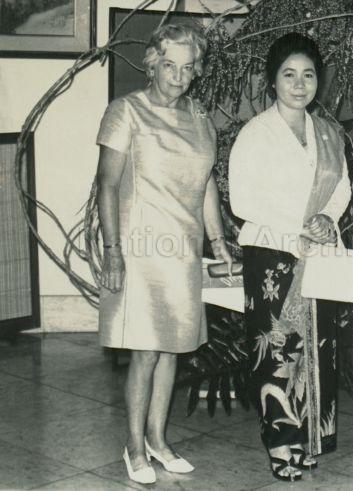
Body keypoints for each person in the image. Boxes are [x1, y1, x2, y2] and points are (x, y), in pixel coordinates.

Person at [96, 24, 233, 485]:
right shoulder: (125, 111)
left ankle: (157, 438)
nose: (178, 75)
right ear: (153, 63)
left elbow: (206, 184)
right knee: (146, 352)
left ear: (196, 72)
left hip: (182, 249)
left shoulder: (199, 117)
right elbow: (108, 185)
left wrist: (217, 243)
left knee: (174, 347)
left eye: (188, 67)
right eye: (170, 65)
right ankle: (134, 447)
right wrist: (112, 252)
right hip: (139, 247)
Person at [228, 32, 351, 482]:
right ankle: (282, 442)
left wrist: (325, 219)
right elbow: (242, 200)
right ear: (272, 80)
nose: (299, 85)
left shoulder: (327, 131)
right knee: (278, 347)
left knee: (317, 346)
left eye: (308, 75)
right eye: (289, 75)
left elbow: (341, 189)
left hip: (316, 253)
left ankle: (311, 437)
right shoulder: (255, 132)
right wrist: (298, 223)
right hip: (272, 255)